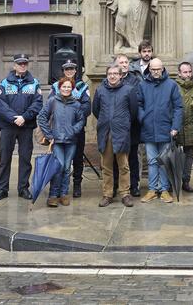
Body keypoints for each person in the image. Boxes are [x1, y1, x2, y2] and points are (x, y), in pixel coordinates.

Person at [0, 54, 42, 202]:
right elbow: (1, 106)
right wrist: (15, 118)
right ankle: (2, 189)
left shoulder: (34, 83)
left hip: (26, 126)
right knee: (4, 159)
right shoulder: (4, 83)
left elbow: (38, 103)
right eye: (19, 63)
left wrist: (24, 117)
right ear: (14, 65)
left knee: (25, 158)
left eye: (24, 64)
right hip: (8, 126)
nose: (22, 66)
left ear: (27, 65)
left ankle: (23, 188)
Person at [92, 64, 139, 208]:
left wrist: (122, 122)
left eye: (115, 73)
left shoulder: (129, 90)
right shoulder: (100, 90)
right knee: (106, 166)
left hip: (121, 133)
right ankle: (107, 194)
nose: (112, 76)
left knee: (123, 165)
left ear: (121, 75)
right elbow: (96, 110)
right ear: (107, 75)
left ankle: (125, 193)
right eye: (110, 73)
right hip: (105, 133)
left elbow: (133, 111)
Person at [38, 75, 88, 208]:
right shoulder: (53, 101)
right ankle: (53, 195)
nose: (66, 89)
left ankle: (64, 193)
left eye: (69, 87)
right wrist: (49, 134)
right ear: (59, 88)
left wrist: (74, 130)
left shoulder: (76, 104)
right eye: (64, 87)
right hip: (57, 141)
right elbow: (42, 117)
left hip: (71, 141)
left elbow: (81, 120)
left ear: (72, 89)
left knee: (66, 168)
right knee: (58, 168)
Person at [138, 57, 183, 203]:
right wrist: (142, 118)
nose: (156, 72)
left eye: (158, 69)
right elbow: (138, 104)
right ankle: (152, 190)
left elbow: (178, 107)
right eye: (153, 69)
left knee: (164, 161)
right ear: (149, 69)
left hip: (166, 129)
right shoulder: (143, 85)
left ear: (163, 68)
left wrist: (175, 126)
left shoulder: (171, 85)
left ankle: (164, 190)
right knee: (151, 161)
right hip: (149, 128)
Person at [51, 61, 89, 199]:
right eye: (66, 69)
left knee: (78, 158)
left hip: (76, 130)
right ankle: (57, 189)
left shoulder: (82, 87)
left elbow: (87, 108)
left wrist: (74, 119)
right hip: (59, 130)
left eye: (72, 68)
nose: (69, 71)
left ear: (76, 70)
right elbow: (50, 108)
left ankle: (77, 185)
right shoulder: (56, 86)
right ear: (63, 70)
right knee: (59, 162)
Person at [114, 53, 143, 198]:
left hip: (132, 126)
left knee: (133, 157)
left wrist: (129, 118)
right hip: (116, 127)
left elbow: (137, 101)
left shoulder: (135, 80)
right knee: (115, 157)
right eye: (121, 62)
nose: (124, 64)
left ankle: (134, 185)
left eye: (126, 62)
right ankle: (115, 185)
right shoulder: (112, 79)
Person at [176, 62, 193, 194]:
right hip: (177, 125)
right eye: (185, 72)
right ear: (179, 73)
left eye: (189, 72)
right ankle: (173, 180)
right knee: (174, 154)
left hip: (191, 125)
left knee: (189, 155)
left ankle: (186, 181)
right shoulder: (174, 86)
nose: (188, 74)